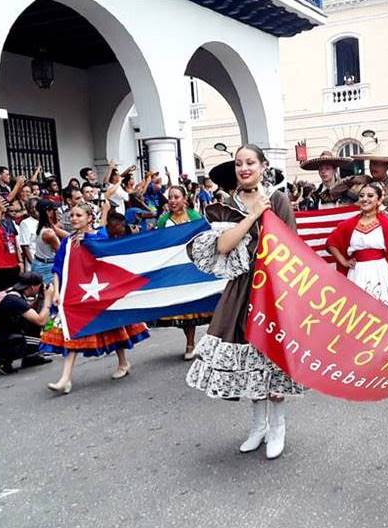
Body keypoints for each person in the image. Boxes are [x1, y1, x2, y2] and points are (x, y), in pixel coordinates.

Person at [186, 144, 304, 460]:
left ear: (263, 166)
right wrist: (252, 215)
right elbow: (223, 245)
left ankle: (278, 426)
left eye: (250, 162)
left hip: (273, 288)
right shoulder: (228, 204)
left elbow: (292, 246)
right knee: (249, 356)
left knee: (272, 355)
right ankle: (258, 427)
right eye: (239, 163)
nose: (244, 168)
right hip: (241, 289)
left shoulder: (278, 200)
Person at [42, 203, 149, 393]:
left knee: (113, 327)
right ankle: (65, 378)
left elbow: (109, 259)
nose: (74, 218)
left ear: (89, 218)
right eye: (72, 215)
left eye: (79, 215)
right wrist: (57, 291)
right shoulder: (67, 242)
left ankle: (123, 362)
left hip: (100, 292)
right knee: (71, 332)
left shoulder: (100, 236)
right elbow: (58, 269)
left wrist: (90, 242)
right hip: (76, 295)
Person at [326, 183, 388, 315]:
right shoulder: (349, 224)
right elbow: (331, 242)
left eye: (370, 196)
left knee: (383, 312)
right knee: (358, 313)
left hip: (381, 272)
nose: (365, 199)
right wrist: (343, 261)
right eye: (362, 196)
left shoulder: (387, 223)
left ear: (379, 200)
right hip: (357, 273)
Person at [154, 186, 210, 360]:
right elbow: (157, 243)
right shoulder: (163, 220)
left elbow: (205, 239)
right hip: (176, 269)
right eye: (170, 197)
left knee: (203, 305)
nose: (172, 200)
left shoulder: (194, 217)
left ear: (184, 199)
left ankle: (211, 341)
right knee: (186, 309)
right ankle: (190, 343)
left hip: (193, 266)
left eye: (176, 197)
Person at [0, 272, 53, 374]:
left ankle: (31, 357)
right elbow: (41, 321)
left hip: (1, 333)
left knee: (32, 322)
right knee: (35, 322)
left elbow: (29, 311)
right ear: (32, 287)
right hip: (0, 339)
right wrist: (48, 299)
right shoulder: (14, 300)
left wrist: (41, 297)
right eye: (39, 286)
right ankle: (2, 358)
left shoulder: (13, 292)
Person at [351, 141, 388, 214]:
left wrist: (379, 209)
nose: (373, 167)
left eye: (378, 164)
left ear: (387, 166)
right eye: (371, 163)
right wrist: (351, 180)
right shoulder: (362, 185)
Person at [299, 150, 369, 209]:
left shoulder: (347, 189)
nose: (323, 172)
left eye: (327, 168)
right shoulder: (315, 196)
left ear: (334, 170)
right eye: (321, 169)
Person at [32, 200, 66, 283]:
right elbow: (62, 251)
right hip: (47, 267)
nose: (57, 213)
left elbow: (64, 234)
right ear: (48, 212)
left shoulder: (42, 225)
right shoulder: (49, 233)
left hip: (40, 263)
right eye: (54, 210)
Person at [18, 197, 40, 271]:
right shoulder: (25, 223)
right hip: (33, 262)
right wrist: (33, 264)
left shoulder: (45, 222)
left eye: (36, 207)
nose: (34, 209)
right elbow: (25, 246)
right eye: (31, 208)